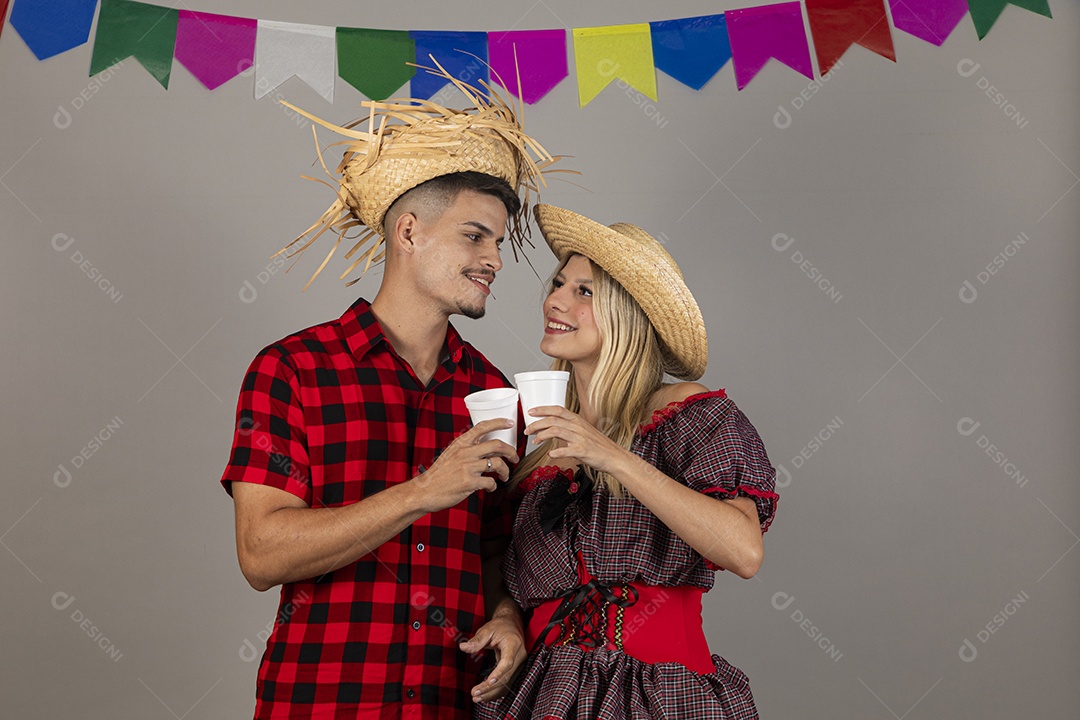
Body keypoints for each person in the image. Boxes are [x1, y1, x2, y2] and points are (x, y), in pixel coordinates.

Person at [220, 65, 558, 719]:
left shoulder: (492, 391)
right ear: (408, 232)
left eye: (496, 241)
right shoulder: (292, 369)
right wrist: (424, 491)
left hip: (450, 704)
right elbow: (261, 554)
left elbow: (493, 552)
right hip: (321, 703)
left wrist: (508, 616)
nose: (494, 258)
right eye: (474, 235)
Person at [475, 204, 779, 719]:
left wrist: (612, 455)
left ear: (627, 314)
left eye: (584, 292)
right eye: (558, 284)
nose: (555, 300)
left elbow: (743, 551)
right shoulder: (536, 443)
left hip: (659, 693)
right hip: (541, 695)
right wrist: (505, 616)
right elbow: (495, 560)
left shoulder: (688, 415)